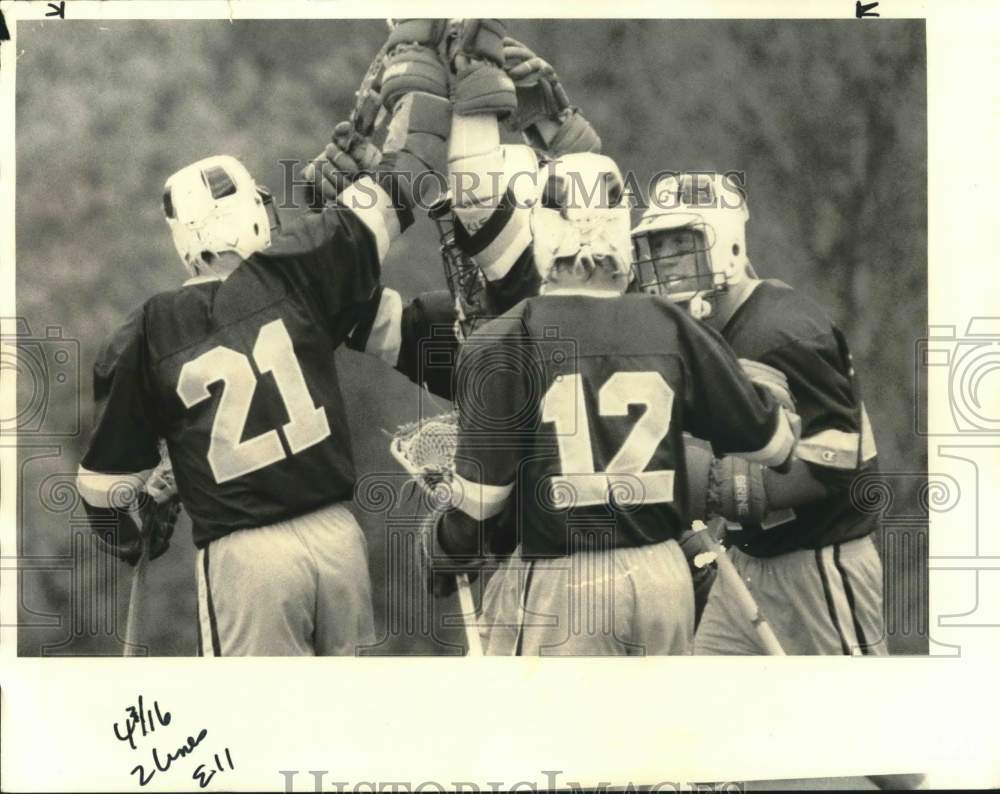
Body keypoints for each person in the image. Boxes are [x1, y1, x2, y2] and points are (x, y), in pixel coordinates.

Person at [76, 76, 450, 655]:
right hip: (338, 541)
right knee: (350, 709)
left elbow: (104, 492)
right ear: (250, 214)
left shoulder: (149, 329)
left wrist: (140, 520)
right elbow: (413, 169)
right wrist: (420, 81)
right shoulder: (298, 270)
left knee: (256, 712)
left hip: (248, 561)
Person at [421, 189, 800, 655]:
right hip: (663, 575)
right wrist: (762, 397)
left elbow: (477, 511)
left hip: (565, 578)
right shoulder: (669, 322)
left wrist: (446, 542)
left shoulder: (505, 337)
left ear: (542, 238)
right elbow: (774, 444)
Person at [631, 171, 887, 655]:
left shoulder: (781, 331)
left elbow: (838, 462)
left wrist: (721, 488)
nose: (667, 263)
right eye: (658, 248)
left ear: (727, 245)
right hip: (747, 563)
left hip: (817, 561)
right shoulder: (702, 331)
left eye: (681, 245)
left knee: (850, 701)